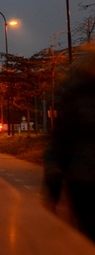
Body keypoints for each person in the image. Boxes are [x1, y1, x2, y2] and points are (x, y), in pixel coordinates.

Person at [49, 45, 95, 239]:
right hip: (83, 176)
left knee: (86, 231)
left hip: (83, 177)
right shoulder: (74, 94)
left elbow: (60, 141)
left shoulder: (72, 93)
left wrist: (53, 185)